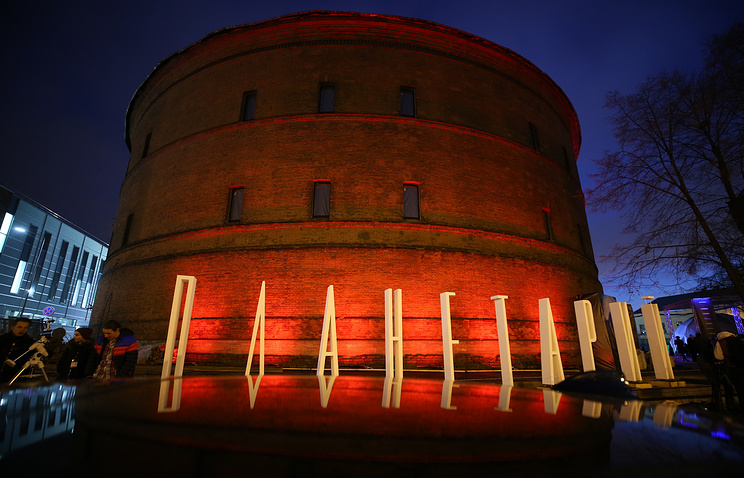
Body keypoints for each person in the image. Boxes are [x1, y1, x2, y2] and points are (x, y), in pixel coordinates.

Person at [0, 317, 35, 383]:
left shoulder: (30, 344)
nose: (22, 330)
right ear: (13, 327)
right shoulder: (3, 340)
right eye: (19, 327)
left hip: (18, 376)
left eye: (25, 328)